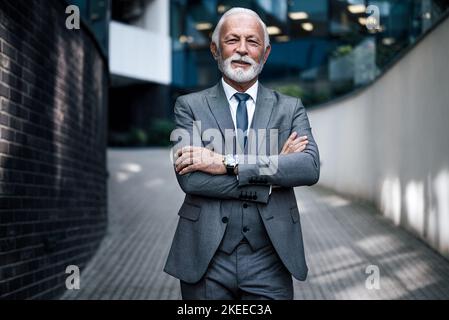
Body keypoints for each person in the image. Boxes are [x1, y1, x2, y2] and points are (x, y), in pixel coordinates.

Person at [164, 7, 320, 300]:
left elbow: (308, 168)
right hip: (206, 258)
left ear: (266, 52)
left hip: (271, 259)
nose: (242, 50)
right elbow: (192, 180)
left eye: (252, 41)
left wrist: (226, 163)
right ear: (214, 49)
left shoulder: (290, 108)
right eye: (232, 40)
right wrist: (272, 178)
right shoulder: (188, 106)